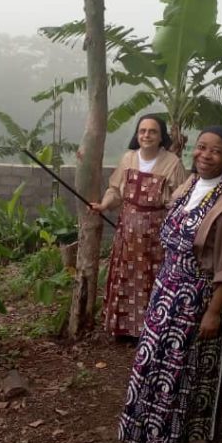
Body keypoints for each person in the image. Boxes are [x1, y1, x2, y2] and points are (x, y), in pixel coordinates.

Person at [118, 125, 222, 443]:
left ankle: (165, 437)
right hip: (166, 287)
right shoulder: (190, 184)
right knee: (150, 359)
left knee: (177, 368)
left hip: (195, 295)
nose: (205, 155)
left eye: (216, 151)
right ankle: (140, 428)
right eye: (201, 147)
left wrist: (213, 312)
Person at [89, 114, 187, 340]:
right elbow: (115, 189)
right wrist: (104, 205)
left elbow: (180, 200)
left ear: (161, 136)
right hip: (127, 236)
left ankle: (150, 330)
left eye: (152, 131)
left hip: (156, 238)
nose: (146, 135)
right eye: (142, 131)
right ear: (137, 134)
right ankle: (122, 328)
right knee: (126, 276)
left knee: (152, 279)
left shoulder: (173, 163)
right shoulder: (128, 159)